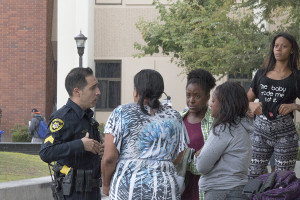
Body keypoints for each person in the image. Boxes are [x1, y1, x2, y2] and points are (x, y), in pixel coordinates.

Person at [101, 69, 189, 200]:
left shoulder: (121, 113)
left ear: (137, 90)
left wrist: (106, 184)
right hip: (165, 188)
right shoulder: (174, 116)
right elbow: (178, 156)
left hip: (128, 188)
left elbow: (109, 158)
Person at [39, 67, 104, 200]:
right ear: (77, 91)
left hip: (93, 192)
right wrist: (80, 144)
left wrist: (102, 150)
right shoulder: (62, 118)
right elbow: (45, 153)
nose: (98, 92)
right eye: (93, 88)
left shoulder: (89, 119)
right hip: (73, 194)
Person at [247, 32, 300, 179]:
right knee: (253, 175)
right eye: (276, 46)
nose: (278, 49)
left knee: (282, 180)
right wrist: (251, 105)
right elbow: (245, 100)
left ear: (292, 50)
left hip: (285, 135)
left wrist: (294, 107)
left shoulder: (296, 77)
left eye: (284, 46)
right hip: (260, 132)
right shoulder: (261, 74)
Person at [196, 82, 253, 200]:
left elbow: (202, 166)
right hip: (240, 190)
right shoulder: (243, 126)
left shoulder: (224, 129)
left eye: (213, 101)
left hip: (221, 191)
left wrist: (200, 154)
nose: (210, 104)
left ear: (225, 104)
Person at [180, 69, 216, 200]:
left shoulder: (215, 121)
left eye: (197, 96)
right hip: (181, 186)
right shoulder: (178, 119)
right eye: (188, 95)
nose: (191, 100)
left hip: (206, 188)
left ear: (207, 97)